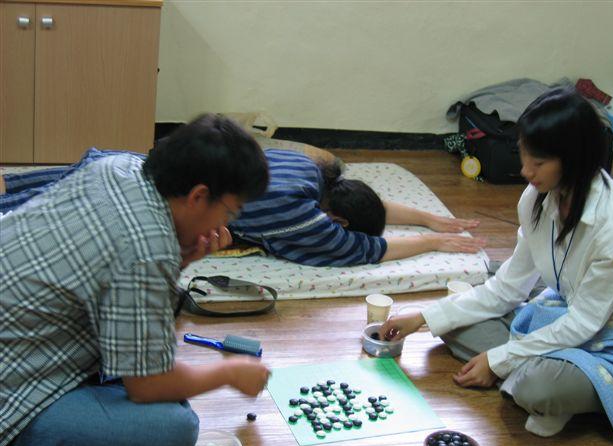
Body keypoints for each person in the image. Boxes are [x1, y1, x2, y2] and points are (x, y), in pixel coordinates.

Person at [0, 114, 272, 446]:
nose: (225, 226)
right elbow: (147, 386)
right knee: (174, 429)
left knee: (162, 380)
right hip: (12, 400)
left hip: (28, 339)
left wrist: (180, 260)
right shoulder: (147, 251)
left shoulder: (120, 167)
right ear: (198, 196)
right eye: (228, 212)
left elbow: (124, 288)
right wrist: (229, 372)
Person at [380, 87, 613, 439]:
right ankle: (533, 379)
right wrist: (423, 318)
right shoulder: (536, 198)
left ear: (574, 159)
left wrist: (499, 359)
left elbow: (584, 323)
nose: (525, 171)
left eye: (539, 163)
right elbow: (507, 288)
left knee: (539, 388)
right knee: (454, 325)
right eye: (524, 156)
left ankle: (552, 391)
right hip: (567, 310)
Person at [1, 149, 485, 267]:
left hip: (120, 165)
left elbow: (360, 203)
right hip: (135, 207)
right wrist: (431, 241)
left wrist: (426, 217)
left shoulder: (307, 165)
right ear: (335, 219)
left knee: (21, 194)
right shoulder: (303, 220)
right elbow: (368, 249)